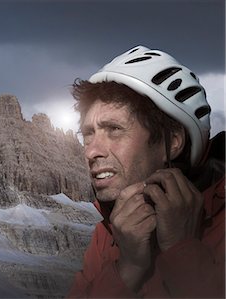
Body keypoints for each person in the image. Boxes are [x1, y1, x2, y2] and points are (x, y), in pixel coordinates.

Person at [67, 46, 225, 298]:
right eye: (88, 134)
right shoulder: (109, 231)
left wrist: (181, 250)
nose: (91, 152)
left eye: (114, 130)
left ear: (172, 142)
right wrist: (128, 268)